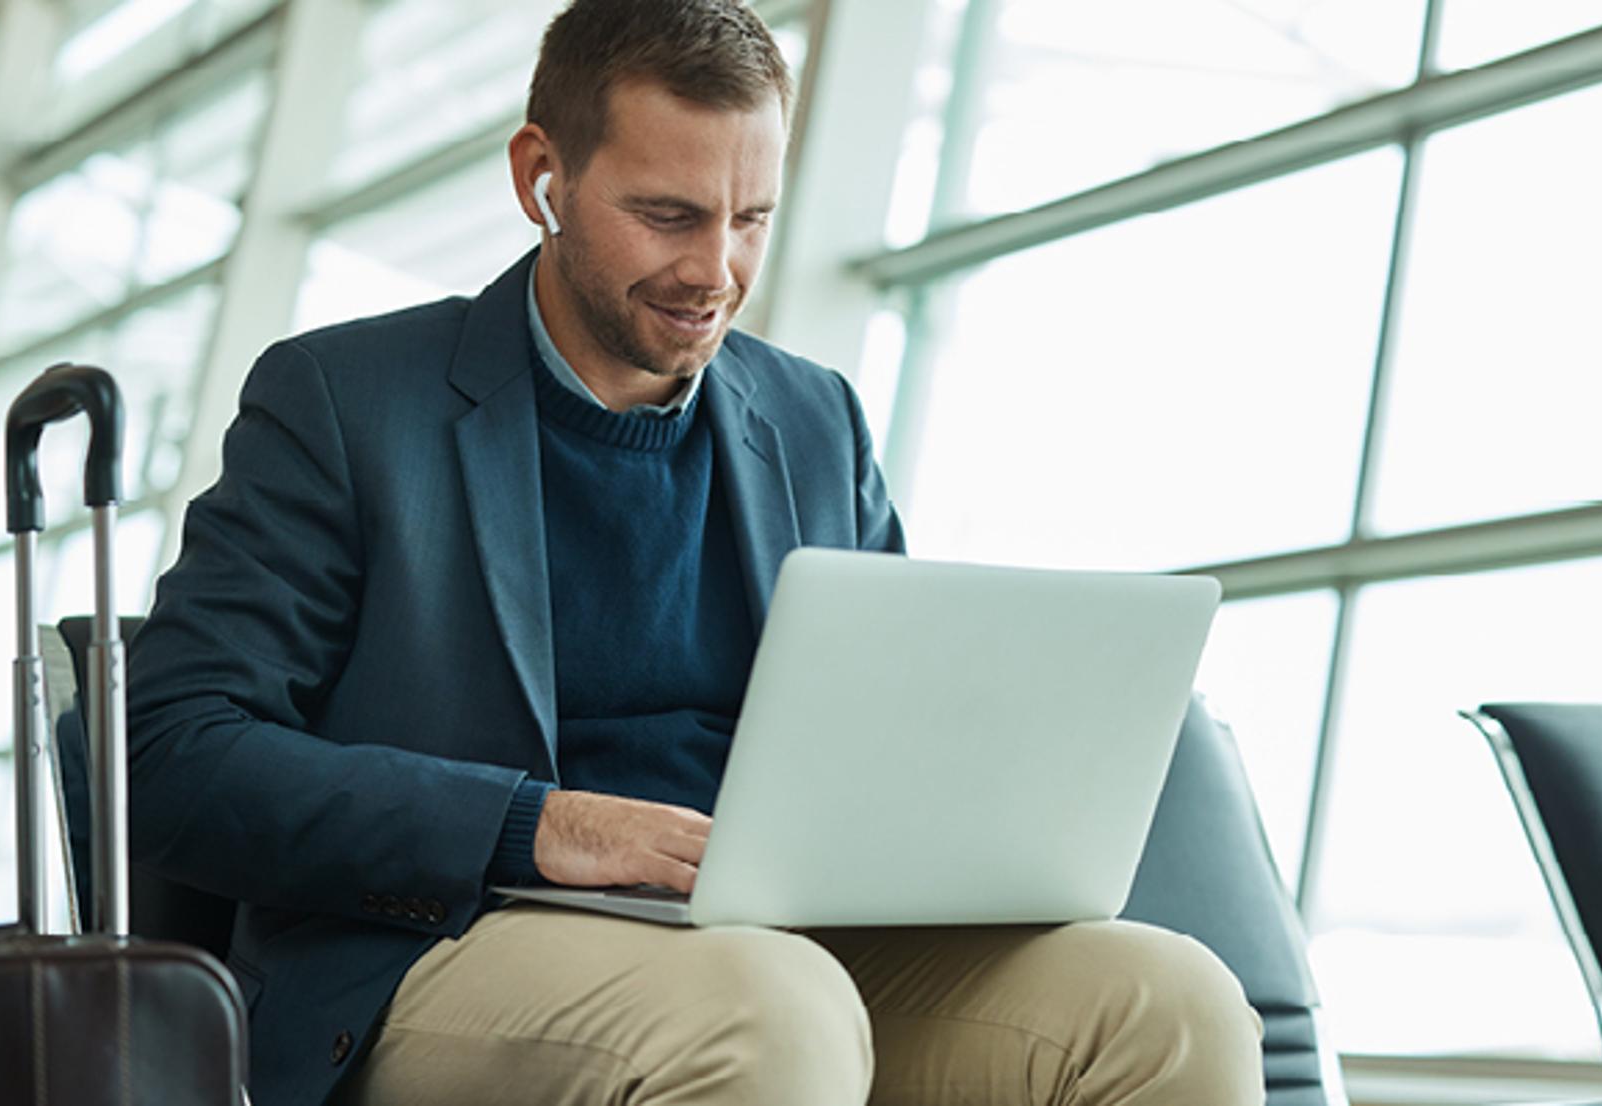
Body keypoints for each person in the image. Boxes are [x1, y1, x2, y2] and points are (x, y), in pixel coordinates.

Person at [125, 1, 1265, 1104]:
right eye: (668, 215)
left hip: (768, 944)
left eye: (751, 218)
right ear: (541, 177)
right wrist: (541, 825)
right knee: (767, 1008)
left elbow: (894, 735)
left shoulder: (816, 422)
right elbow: (173, 752)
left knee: (1170, 1005)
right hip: (448, 942)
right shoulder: (344, 400)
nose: (715, 271)